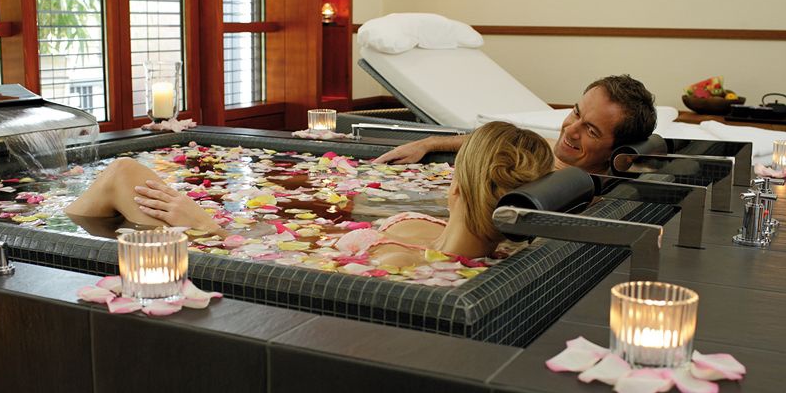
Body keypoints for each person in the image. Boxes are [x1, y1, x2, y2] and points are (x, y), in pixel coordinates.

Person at [64, 121, 554, 266]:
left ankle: (60, 242)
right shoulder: (451, 236)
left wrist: (205, 228)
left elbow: (287, 280)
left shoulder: (402, 263)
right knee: (122, 175)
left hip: (218, 250)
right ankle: (72, 230)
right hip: (248, 241)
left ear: (456, 184)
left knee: (120, 173)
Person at [372, 74, 656, 174]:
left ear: (618, 154)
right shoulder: (549, 152)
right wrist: (428, 144)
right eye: (576, 113)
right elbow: (497, 139)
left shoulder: (582, 193)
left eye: (591, 130)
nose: (570, 129)